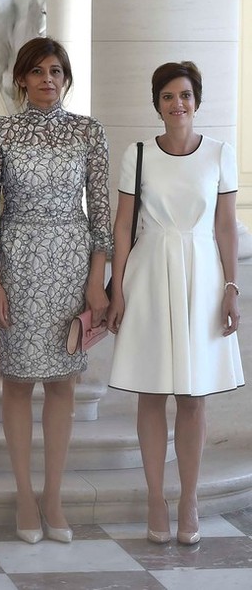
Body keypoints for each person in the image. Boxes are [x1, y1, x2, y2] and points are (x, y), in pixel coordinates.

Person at [0, 37, 112, 544]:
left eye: (56, 70)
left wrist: (96, 282)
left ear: (66, 77)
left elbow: (101, 213)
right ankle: (24, 496)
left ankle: (53, 497)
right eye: (37, 71)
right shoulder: (0, 132)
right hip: (16, 261)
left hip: (72, 262)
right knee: (16, 381)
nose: (47, 79)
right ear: (21, 79)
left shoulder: (87, 132)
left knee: (63, 383)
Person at [107, 62, 243, 545]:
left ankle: (189, 498)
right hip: (148, 272)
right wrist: (116, 287)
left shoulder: (221, 154)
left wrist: (231, 286)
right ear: (157, 103)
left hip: (203, 275)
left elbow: (226, 226)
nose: (177, 103)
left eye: (184, 95)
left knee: (193, 394)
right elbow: (123, 226)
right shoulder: (138, 153)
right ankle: (154, 497)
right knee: (151, 391)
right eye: (167, 96)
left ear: (197, 100)